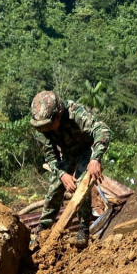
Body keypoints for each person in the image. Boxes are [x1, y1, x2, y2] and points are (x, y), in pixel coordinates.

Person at [30, 90, 111, 248]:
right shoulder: (41, 126)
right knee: (54, 190)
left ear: (59, 113)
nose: (46, 129)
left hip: (86, 151)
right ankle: (43, 230)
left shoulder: (75, 113)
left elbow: (102, 130)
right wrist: (62, 175)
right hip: (66, 155)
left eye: (49, 125)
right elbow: (51, 157)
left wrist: (95, 159)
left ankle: (83, 229)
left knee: (82, 184)